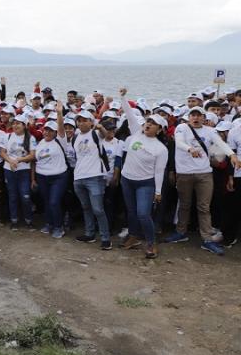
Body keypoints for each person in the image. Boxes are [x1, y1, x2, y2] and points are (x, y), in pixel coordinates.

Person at [165, 106, 239, 255]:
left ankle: (207, 239)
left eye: (199, 115)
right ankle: (181, 232)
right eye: (193, 115)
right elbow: (179, 142)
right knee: (184, 205)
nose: (196, 118)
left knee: (204, 207)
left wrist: (232, 155)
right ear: (189, 116)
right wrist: (189, 149)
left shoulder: (209, 131)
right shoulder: (181, 127)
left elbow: (220, 143)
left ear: (204, 118)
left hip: (204, 173)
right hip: (184, 173)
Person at [118, 89, 169, 259]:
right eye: (148, 121)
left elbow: (159, 171)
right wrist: (123, 96)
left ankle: (151, 241)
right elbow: (129, 112)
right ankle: (133, 236)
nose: (148, 124)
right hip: (127, 179)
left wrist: (158, 192)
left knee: (143, 213)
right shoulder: (136, 133)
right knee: (131, 211)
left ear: (160, 130)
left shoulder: (161, 149)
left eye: (153, 123)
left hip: (145, 183)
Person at [70, 105, 113, 250]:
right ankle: (89, 234)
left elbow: (106, 134)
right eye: (79, 120)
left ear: (90, 122)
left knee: (98, 209)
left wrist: (99, 126)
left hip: (95, 177)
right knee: (86, 207)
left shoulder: (96, 134)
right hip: (79, 177)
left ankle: (106, 238)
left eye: (84, 120)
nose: (81, 123)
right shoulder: (75, 137)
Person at [32, 117, 69, 238]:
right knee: (46, 202)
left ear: (55, 132)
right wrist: (33, 178)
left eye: (51, 130)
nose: (47, 132)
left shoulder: (60, 141)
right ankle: (49, 223)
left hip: (58, 177)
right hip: (42, 177)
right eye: (45, 130)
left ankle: (59, 226)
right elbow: (34, 160)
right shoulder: (40, 143)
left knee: (54, 202)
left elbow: (61, 128)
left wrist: (59, 112)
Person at [1, 114, 37, 230]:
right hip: (9, 170)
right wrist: (10, 161)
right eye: (14, 123)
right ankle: (14, 220)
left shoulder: (30, 138)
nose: (15, 125)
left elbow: (32, 155)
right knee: (12, 196)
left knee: (25, 196)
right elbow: (2, 152)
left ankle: (29, 219)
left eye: (18, 123)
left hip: (24, 171)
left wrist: (19, 159)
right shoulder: (8, 136)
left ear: (24, 126)